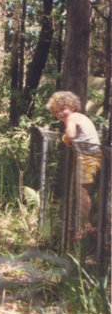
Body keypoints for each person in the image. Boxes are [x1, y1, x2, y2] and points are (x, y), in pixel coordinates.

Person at [46, 90, 101, 238]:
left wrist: (65, 139)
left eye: (63, 109)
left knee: (83, 191)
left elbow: (70, 135)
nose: (61, 114)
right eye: (56, 112)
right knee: (80, 190)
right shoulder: (79, 116)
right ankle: (82, 223)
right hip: (89, 155)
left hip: (88, 156)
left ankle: (83, 227)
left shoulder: (72, 118)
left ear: (72, 106)